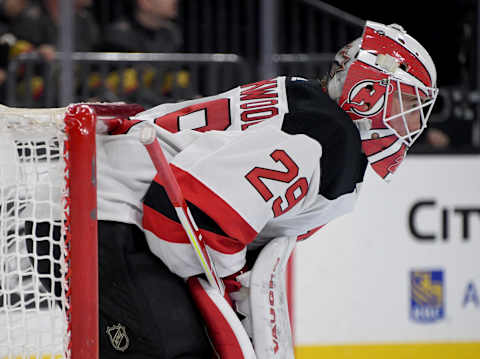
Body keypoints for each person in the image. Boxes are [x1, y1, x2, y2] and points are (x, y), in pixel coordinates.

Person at [65, 20, 440, 358]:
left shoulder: (309, 107)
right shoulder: (325, 141)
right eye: (408, 103)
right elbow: (179, 221)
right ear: (368, 92)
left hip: (101, 201)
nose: (412, 121)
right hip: (109, 214)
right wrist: (231, 282)